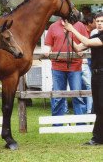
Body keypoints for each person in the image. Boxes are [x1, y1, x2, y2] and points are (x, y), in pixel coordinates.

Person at [63, 12, 103, 145]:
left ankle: (97, 138)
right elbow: (79, 48)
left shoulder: (101, 37)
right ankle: (98, 138)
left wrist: (72, 29)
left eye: (102, 21)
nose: (99, 23)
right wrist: (68, 34)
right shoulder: (96, 36)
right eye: (97, 21)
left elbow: (85, 41)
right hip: (96, 76)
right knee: (98, 108)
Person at [44, 18, 88, 125]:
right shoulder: (53, 26)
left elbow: (87, 42)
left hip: (75, 66)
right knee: (58, 97)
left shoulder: (80, 25)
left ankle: (81, 124)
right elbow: (47, 45)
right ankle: (57, 124)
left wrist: (81, 48)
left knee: (77, 95)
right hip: (57, 67)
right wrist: (46, 51)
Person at [81, 14, 96, 114]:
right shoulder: (89, 32)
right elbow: (80, 47)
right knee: (87, 87)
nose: (97, 24)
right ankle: (89, 110)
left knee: (89, 87)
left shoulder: (94, 33)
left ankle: (90, 110)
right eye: (96, 21)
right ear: (90, 23)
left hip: (89, 63)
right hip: (84, 63)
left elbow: (87, 43)